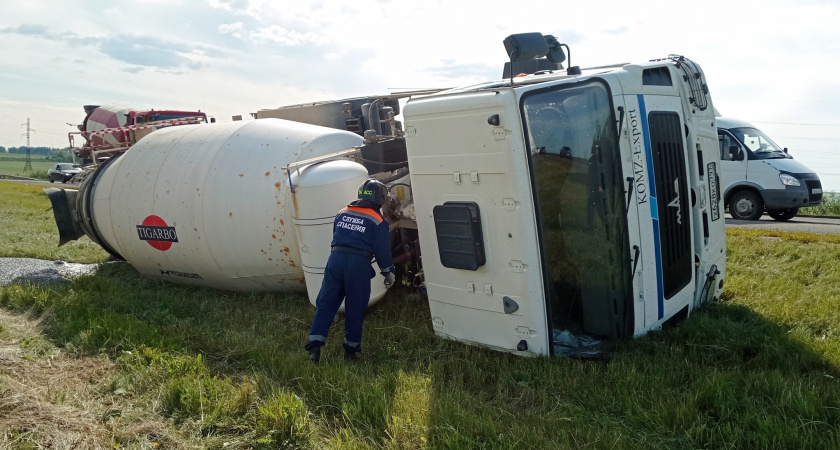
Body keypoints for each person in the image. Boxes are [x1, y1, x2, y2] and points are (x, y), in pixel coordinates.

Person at [305, 179, 396, 363]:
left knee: (326, 304)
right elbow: (382, 250)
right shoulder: (378, 221)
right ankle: (350, 352)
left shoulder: (342, 213)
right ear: (380, 198)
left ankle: (314, 348)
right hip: (358, 265)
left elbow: (336, 238)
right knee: (355, 307)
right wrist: (388, 271)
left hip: (335, 261)